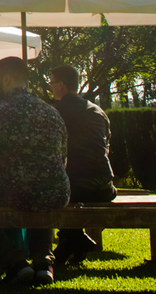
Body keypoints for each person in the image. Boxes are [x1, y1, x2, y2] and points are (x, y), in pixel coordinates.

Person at [0, 56, 69, 285]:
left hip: (12, 192)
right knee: (42, 190)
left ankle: (15, 262)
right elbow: (62, 160)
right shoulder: (51, 112)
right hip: (57, 192)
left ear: (6, 79)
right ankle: (43, 262)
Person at [50, 64, 116, 267]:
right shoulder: (98, 111)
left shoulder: (54, 112)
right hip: (105, 188)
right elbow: (104, 148)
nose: (50, 87)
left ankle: (73, 242)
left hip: (76, 189)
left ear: (61, 85)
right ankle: (71, 244)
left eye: (51, 83)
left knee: (46, 193)